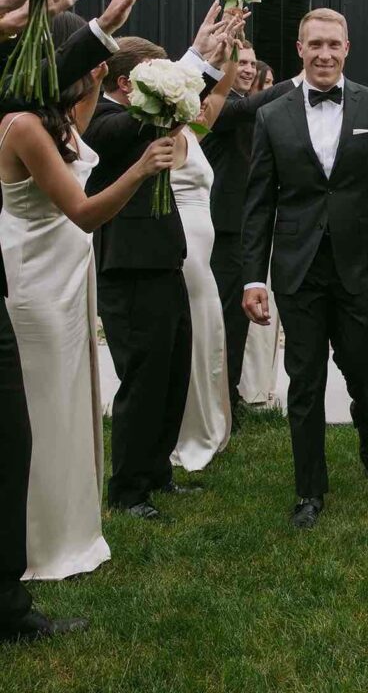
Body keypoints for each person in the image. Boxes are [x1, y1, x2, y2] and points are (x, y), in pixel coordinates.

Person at [0, 0, 156, 643]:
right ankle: (31, 552)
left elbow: (81, 93)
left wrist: (101, 27)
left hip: (64, 281)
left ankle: (58, 534)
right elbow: (87, 211)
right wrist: (144, 170)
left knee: (54, 415)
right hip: (31, 281)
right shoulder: (22, 126)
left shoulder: (54, 117)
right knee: (21, 429)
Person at [242, 8, 368, 530]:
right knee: (303, 380)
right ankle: (309, 490)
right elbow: (259, 203)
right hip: (298, 268)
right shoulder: (271, 115)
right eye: (315, 45)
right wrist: (253, 276)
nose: (325, 54)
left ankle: (365, 416)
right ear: (300, 49)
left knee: (364, 368)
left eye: (334, 45)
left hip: (358, 267)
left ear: (348, 49)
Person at [84, 9, 231, 520]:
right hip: (126, 270)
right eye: (157, 75)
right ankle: (127, 490)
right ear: (127, 82)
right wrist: (194, 55)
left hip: (166, 260)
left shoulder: (147, 114)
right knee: (143, 381)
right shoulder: (101, 121)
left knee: (172, 374)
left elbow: (186, 113)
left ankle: (158, 473)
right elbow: (144, 120)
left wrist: (209, 65)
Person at [201, 40, 285, 417]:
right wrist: (304, 78)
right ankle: (222, 402)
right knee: (227, 319)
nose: (249, 69)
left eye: (252, 62)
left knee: (238, 320)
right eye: (241, 62)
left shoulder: (243, 106)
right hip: (225, 226)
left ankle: (231, 395)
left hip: (248, 223)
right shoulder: (220, 106)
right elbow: (249, 106)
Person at [171, 52, 239, 471]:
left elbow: (219, 93)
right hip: (185, 250)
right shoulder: (159, 134)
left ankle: (208, 422)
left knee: (210, 331)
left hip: (204, 253)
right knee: (195, 332)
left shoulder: (191, 133)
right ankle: (187, 429)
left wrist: (229, 53)